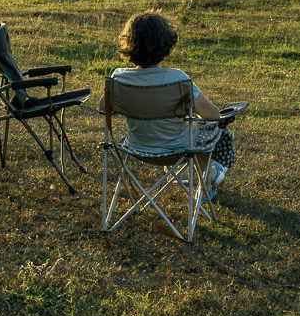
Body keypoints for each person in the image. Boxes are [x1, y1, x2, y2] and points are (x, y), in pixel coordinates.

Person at [99, 11, 235, 199]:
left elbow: (102, 107)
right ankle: (207, 181)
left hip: (137, 147)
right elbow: (212, 115)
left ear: (128, 44)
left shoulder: (119, 78)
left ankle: (206, 175)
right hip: (179, 148)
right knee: (207, 128)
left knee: (195, 129)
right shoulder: (177, 79)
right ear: (166, 44)